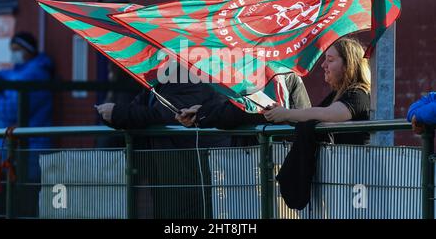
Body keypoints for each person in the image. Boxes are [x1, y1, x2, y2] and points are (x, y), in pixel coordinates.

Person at [95, 81, 231, 219]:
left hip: (191, 163)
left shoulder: (189, 77)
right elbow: (138, 108)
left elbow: (166, 114)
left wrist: (117, 112)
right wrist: (113, 114)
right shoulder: (159, 81)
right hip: (168, 162)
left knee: (189, 210)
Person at [0, 31, 54, 217]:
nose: (13, 54)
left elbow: (10, 108)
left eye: (17, 49)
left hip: (31, 150)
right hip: (12, 148)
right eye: (12, 49)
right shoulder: (17, 71)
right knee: (8, 192)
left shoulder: (37, 73)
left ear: (28, 50)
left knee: (27, 195)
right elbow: (1, 75)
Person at [263, 37, 371, 145]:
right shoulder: (336, 94)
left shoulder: (359, 94)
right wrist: (280, 112)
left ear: (348, 65)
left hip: (351, 160)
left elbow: (328, 114)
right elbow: (312, 115)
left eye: (330, 60)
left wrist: (286, 114)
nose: (323, 65)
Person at [175, 72, 311, 145]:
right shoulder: (286, 70)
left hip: (267, 155)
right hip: (278, 153)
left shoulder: (268, 71)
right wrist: (201, 112)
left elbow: (246, 110)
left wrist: (201, 114)